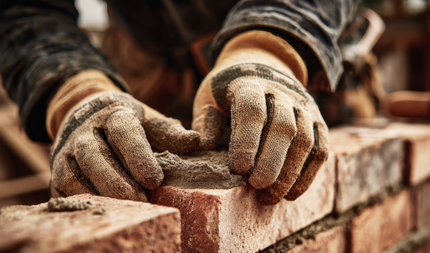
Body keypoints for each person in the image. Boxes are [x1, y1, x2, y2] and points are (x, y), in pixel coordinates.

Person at [0, 0, 360, 205]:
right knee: (125, 169)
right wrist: (75, 92)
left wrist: (270, 49)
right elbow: (26, 9)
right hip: (148, 60)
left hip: (304, 51)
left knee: (288, 157)